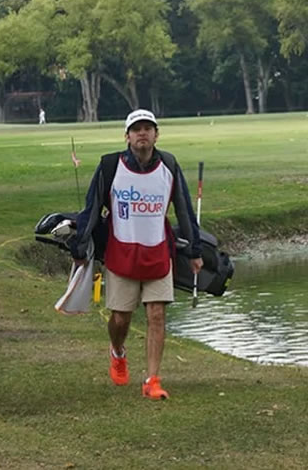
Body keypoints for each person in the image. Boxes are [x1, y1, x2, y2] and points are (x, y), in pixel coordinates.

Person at [70, 109, 203, 400]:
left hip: (159, 253)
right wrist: (80, 246)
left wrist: (195, 250)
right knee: (121, 319)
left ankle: (152, 380)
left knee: (157, 314)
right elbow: (92, 208)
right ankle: (117, 351)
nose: (142, 133)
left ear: (156, 135)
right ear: (127, 136)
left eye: (148, 128)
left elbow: (183, 208)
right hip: (121, 254)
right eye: (136, 129)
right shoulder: (110, 166)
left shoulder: (169, 164)